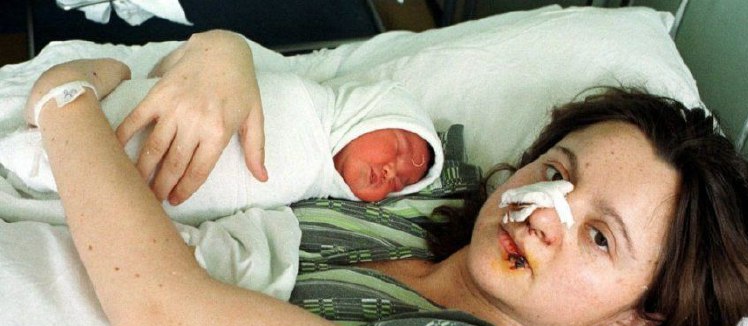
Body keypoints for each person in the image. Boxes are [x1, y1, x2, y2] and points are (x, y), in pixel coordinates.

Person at [24, 28, 748, 326]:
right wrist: (221, 53)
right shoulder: (418, 189)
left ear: (633, 316)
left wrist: (64, 100)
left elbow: (156, 304)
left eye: (597, 235)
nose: (544, 212)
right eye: (557, 170)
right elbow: (303, 106)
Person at [3, 58, 442, 224]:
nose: (393, 172)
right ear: (373, 111)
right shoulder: (305, 100)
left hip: (100, 189)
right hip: (99, 118)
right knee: (106, 85)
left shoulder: (311, 195)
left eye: (402, 183)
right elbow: (185, 70)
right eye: (400, 149)